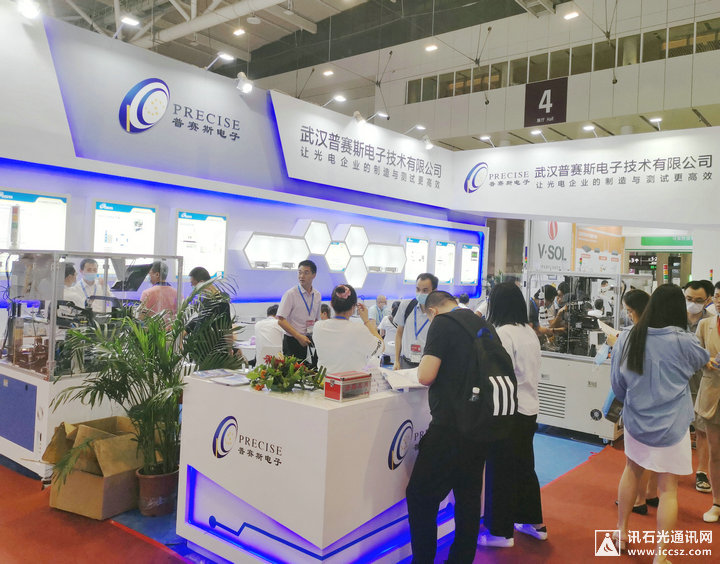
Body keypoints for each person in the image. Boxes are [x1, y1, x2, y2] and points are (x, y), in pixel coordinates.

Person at [406, 291, 514, 562]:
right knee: (468, 497)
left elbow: (425, 375)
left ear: (432, 311)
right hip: (481, 424)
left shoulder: (442, 323)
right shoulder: (483, 323)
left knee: (420, 496)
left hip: (449, 427)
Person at [612, 284, 709, 559]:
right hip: (673, 425)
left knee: (631, 471)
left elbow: (617, 384)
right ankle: (661, 554)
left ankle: (622, 532)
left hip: (636, 420)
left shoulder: (628, 336)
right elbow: (701, 361)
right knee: (668, 490)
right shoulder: (684, 340)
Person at [485, 282, 547, 544]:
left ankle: (500, 532)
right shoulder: (528, 331)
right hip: (529, 408)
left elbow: (501, 376)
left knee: (501, 470)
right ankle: (534, 522)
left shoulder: (503, 333)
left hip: (509, 411)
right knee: (524, 467)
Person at [312, 284, 383, 374]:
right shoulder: (358, 329)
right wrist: (366, 321)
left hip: (325, 381)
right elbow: (381, 348)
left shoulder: (318, 327)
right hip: (352, 381)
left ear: (331, 304)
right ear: (353, 307)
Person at [685, 280, 714, 494]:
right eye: (688, 299)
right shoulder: (673, 318)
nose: (692, 303)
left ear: (707, 300)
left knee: (702, 429)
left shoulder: (711, 322)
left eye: (698, 300)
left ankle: (702, 471)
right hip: (674, 381)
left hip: (702, 381)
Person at [694, 281, 720, 522]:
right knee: (715, 452)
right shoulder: (705, 325)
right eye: (718, 296)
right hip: (712, 395)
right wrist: (705, 361)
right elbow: (695, 356)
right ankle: (717, 503)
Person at [277, 260, 321, 365]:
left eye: (306, 273)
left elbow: (316, 319)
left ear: (314, 275)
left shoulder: (317, 295)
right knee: (293, 373)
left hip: (309, 340)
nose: (301, 276)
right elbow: (281, 320)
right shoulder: (291, 294)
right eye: (300, 272)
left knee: (311, 371)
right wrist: (298, 336)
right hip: (292, 340)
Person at [394, 273, 438, 370]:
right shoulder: (406, 306)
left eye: (425, 290)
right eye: (418, 289)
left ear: (434, 291)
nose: (420, 293)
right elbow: (399, 334)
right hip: (405, 362)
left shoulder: (438, 312)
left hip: (427, 366)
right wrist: (396, 360)